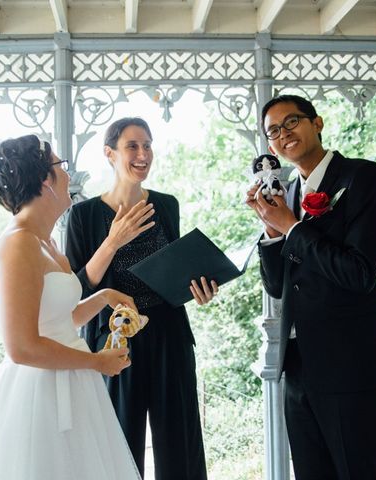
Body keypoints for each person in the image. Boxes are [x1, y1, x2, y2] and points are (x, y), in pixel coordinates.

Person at [0, 135, 141, 480]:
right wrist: (95, 362)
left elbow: (58, 320)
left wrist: (102, 298)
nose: (69, 176)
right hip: (37, 396)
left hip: (74, 385)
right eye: (62, 166)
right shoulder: (18, 246)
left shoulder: (47, 242)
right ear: (45, 179)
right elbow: (22, 347)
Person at [245, 95, 376, 480]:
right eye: (273, 131)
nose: (282, 134)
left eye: (291, 122)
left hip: (349, 366)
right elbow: (278, 287)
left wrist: (293, 227)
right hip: (297, 365)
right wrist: (272, 231)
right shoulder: (287, 192)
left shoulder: (361, 177)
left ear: (317, 123)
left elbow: (359, 273)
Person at [65, 117, 218, 480]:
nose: (142, 154)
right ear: (110, 154)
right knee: (117, 447)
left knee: (180, 445)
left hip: (171, 338)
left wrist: (198, 288)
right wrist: (113, 240)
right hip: (114, 343)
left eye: (147, 145)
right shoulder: (82, 216)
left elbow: (174, 273)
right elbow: (77, 291)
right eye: (132, 146)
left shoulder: (167, 205)